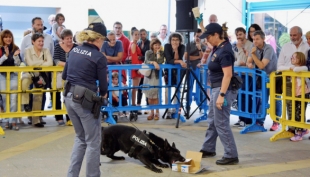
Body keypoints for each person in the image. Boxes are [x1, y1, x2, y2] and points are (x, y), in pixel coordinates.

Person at [62, 22, 107, 177]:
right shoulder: (99, 57)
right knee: (93, 142)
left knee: (80, 139)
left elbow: (64, 75)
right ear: (99, 39)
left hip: (68, 97)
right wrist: (103, 97)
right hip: (84, 102)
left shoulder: (74, 50)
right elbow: (103, 87)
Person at [199, 23, 239, 165]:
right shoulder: (218, 46)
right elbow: (208, 35)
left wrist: (221, 96)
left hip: (223, 89)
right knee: (212, 120)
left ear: (216, 34)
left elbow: (227, 75)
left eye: (208, 37)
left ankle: (231, 154)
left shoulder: (225, 51)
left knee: (221, 122)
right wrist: (201, 23)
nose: (206, 40)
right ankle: (208, 148)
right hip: (217, 88)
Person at [20, 17, 54, 124]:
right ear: (33, 42)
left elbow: (50, 62)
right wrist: (42, 64)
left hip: (41, 74)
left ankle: (36, 120)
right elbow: (28, 62)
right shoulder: (26, 46)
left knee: (38, 96)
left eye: (42, 41)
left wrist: (40, 65)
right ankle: (25, 105)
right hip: (29, 73)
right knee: (24, 83)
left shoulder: (47, 46)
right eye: (39, 41)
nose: (41, 43)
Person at [277, 26, 310, 131]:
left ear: (301, 35)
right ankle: (291, 128)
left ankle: (300, 129)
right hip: (288, 81)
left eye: (294, 35)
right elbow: (279, 66)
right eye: (291, 35)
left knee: (301, 105)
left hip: (303, 82)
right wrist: (291, 68)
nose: (292, 37)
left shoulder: (307, 47)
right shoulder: (285, 47)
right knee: (289, 105)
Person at [246, 30, 278, 128]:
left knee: (275, 100)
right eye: (254, 39)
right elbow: (248, 61)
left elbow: (261, 65)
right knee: (262, 99)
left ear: (263, 39)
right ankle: (260, 121)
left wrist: (254, 55)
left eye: (257, 39)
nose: (255, 41)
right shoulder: (253, 47)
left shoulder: (269, 48)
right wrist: (249, 64)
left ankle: (276, 121)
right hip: (261, 78)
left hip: (273, 78)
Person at [277, 52, 309, 141]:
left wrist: (292, 68)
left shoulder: (304, 68)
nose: (292, 59)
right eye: (291, 57)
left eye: (294, 57)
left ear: (300, 59)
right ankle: (300, 129)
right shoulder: (291, 68)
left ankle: (300, 131)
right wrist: (289, 67)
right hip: (295, 93)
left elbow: (296, 70)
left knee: (300, 112)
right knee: (295, 112)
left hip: (302, 93)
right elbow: (280, 68)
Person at [53, 29, 77, 126]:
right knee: (57, 94)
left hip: (72, 74)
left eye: (71, 38)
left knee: (70, 96)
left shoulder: (76, 47)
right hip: (59, 73)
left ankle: (69, 117)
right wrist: (68, 64)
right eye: (67, 39)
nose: (69, 40)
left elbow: (77, 59)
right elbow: (56, 61)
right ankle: (58, 116)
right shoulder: (57, 47)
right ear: (62, 39)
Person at [0, 29, 22, 130]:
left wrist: (16, 56)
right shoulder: (0, 48)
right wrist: (6, 56)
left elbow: (18, 64)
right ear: (2, 38)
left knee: (13, 98)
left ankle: (13, 121)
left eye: (10, 37)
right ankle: (7, 120)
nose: (8, 39)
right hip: (2, 75)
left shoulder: (15, 48)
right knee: (5, 98)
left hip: (13, 75)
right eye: (6, 37)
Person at [232, 27, 254, 127]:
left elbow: (244, 61)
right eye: (237, 35)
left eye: (240, 34)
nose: (238, 37)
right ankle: (242, 118)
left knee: (245, 95)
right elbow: (236, 61)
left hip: (247, 75)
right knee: (240, 95)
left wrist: (240, 48)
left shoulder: (250, 44)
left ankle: (246, 119)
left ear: (245, 34)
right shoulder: (236, 45)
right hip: (239, 74)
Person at [164, 32, 186, 119]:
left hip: (178, 72)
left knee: (178, 90)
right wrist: (180, 62)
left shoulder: (182, 47)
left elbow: (178, 58)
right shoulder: (167, 46)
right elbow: (169, 60)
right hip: (168, 72)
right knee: (167, 91)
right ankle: (168, 110)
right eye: (173, 40)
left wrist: (176, 50)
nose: (175, 42)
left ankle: (175, 109)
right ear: (170, 40)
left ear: (180, 41)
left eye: (177, 40)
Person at [184, 28, 206, 111]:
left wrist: (200, 49)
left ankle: (200, 106)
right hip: (190, 68)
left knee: (200, 87)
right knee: (189, 87)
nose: (198, 38)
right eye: (197, 36)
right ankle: (187, 105)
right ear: (194, 36)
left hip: (200, 69)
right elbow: (186, 57)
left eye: (200, 36)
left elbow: (204, 58)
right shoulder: (188, 44)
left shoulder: (203, 46)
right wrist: (198, 57)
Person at [143, 38, 165, 120]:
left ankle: (157, 112)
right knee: (149, 94)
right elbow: (146, 61)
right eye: (155, 45)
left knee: (156, 94)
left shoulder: (162, 52)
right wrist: (153, 62)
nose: (157, 46)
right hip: (148, 74)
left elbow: (160, 61)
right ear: (152, 45)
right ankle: (151, 112)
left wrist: (158, 53)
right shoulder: (148, 52)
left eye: (158, 45)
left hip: (157, 75)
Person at [129, 27, 143, 110]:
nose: (137, 36)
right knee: (135, 88)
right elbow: (134, 57)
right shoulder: (133, 44)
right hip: (136, 68)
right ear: (132, 35)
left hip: (136, 67)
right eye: (136, 34)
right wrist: (137, 68)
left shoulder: (135, 44)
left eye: (138, 34)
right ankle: (133, 105)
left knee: (135, 88)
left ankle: (133, 104)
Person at [137, 28, 150, 115]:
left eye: (144, 34)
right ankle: (138, 105)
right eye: (140, 34)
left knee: (146, 86)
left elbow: (148, 54)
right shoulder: (138, 43)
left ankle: (148, 106)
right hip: (140, 67)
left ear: (146, 34)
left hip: (146, 66)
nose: (142, 35)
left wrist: (140, 57)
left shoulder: (149, 43)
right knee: (139, 87)